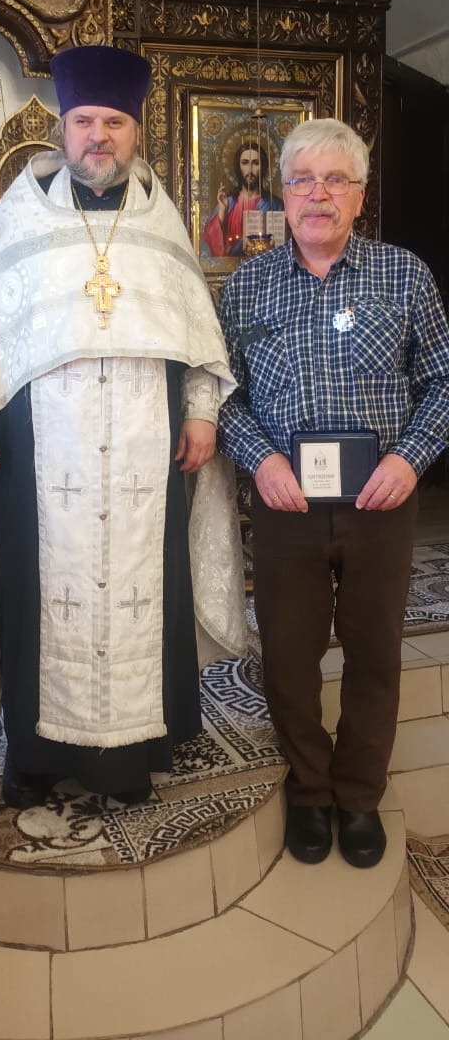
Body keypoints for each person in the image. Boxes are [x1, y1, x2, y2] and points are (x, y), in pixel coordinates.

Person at [0, 45, 246, 810]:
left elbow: (198, 334)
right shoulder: (22, 217)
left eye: (114, 123)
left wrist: (202, 412)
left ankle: (128, 760)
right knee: (35, 591)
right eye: (84, 122)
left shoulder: (161, 222)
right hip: (41, 452)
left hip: (146, 452)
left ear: (135, 132)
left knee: (143, 591)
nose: (98, 136)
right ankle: (33, 757)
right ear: (63, 129)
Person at [217, 118, 449, 869]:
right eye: (303, 180)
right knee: (289, 655)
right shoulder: (246, 288)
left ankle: (358, 793)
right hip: (285, 504)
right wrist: (261, 460)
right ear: (282, 193)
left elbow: (443, 381)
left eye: (335, 180)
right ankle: (310, 789)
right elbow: (223, 395)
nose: (318, 195)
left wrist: (410, 460)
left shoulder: (404, 276)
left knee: (375, 651)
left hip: (382, 501)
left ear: (359, 194)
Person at [203, 141, 283, 258]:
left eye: (255, 163)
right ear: (238, 167)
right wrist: (222, 212)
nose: (250, 170)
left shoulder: (274, 204)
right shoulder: (228, 203)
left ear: (263, 167)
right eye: (245, 163)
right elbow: (210, 245)